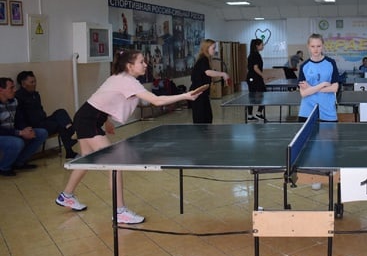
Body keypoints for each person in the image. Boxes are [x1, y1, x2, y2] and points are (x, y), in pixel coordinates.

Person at [55, 50, 204, 223]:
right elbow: (156, 101)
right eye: (141, 62)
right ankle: (119, 211)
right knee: (115, 165)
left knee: (87, 159)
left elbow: (102, 98)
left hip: (85, 118)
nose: (145, 64)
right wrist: (186, 95)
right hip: (88, 121)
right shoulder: (127, 81)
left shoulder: (119, 77)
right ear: (129, 66)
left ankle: (66, 195)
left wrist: (105, 120)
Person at [15, 71, 79, 158]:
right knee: (60, 124)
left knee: (61, 112)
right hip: (34, 126)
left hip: (43, 121)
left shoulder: (35, 95)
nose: (35, 84)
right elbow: (20, 117)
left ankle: (71, 130)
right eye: (31, 82)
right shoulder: (18, 97)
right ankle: (71, 144)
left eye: (35, 81)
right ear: (23, 84)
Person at [0, 77, 47, 176]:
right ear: (1, 90)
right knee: (17, 142)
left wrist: (26, 129)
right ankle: (4, 167)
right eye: (11, 88)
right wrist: (20, 133)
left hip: (12, 132)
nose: (14, 90)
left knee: (41, 133)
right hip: (3, 134)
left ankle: (19, 163)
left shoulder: (14, 101)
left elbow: (19, 119)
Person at [298, 34, 340, 122]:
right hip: (307, 110)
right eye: (313, 46)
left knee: (330, 131)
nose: (316, 49)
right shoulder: (304, 66)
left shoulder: (331, 63)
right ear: (308, 47)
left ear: (323, 46)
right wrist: (323, 84)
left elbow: (334, 88)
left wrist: (310, 88)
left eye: (318, 46)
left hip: (327, 109)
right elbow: (303, 93)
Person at [191, 39, 230, 123]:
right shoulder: (203, 59)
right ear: (206, 48)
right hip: (198, 94)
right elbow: (208, 72)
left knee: (208, 117)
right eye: (213, 48)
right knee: (201, 119)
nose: (214, 50)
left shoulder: (206, 60)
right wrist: (223, 74)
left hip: (203, 93)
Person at [246, 39, 267, 121]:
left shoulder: (254, 54)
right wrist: (263, 75)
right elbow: (255, 68)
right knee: (253, 96)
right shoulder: (255, 55)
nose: (263, 46)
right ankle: (251, 115)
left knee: (261, 94)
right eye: (262, 45)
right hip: (253, 78)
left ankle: (257, 113)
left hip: (255, 78)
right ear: (257, 46)